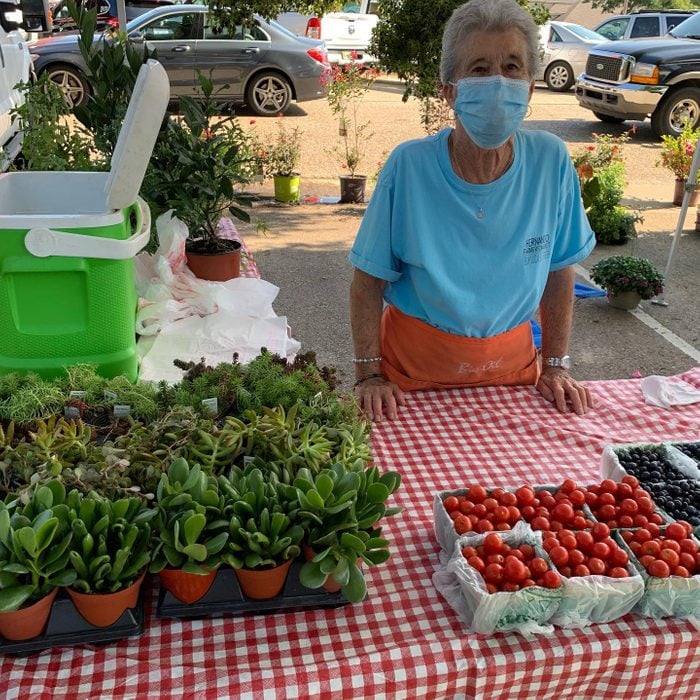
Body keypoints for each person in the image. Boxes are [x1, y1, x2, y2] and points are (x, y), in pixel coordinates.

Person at [348, 0, 595, 421]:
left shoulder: (550, 160)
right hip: (411, 378)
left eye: (513, 67)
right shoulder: (409, 166)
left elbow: (559, 271)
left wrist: (555, 364)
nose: (499, 82)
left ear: (531, 87)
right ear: (450, 91)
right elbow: (367, 282)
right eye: (479, 69)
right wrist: (368, 374)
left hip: (513, 375)